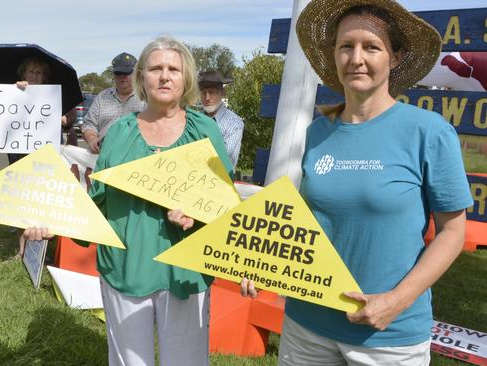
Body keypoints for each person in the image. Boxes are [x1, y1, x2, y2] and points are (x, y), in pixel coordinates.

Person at [240, 1, 473, 364]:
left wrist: (395, 302)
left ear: (395, 57)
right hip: (307, 325)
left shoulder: (428, 132)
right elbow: (308, 218)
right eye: (346, 46)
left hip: (388, 334)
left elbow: (452, 233)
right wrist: (263, 260)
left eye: (372, 47)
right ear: (333, 55)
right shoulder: (318, 133)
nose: (356, 58)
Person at [24, 36, 233, 365]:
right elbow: (97, 204)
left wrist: (199, 217)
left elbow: (228, 207)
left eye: (173, 69)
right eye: (155, 68)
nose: (164, 76)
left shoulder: (206, 131)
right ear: (142, 78)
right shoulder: (120, 132)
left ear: (187, 78)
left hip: (185, 273)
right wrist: (54, 222)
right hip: (125, 268)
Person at [9, 57, 78, 260]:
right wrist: (16, 90)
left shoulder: (55, 94)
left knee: (43, 204)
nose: (35, 76)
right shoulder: (16, 91)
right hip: (21, 155)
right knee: (23, 204)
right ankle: (22, 251)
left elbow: (71, 117)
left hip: (49, 157)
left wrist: (65, 119)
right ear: (23, 74)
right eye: (31, 72)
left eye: (39, 73)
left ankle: (42, 252)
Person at [81, 52, 147, 153]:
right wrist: (91, 139)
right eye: (118, 73)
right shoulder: (102, 97)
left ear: (136, 74)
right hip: (103, 155)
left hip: (136, 156)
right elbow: (89, 124)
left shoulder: (146, 98)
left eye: (126, 73)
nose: (122, 77)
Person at [198, 70, 244, 168]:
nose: (207, 98)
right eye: (203, 93)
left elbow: (222, 154)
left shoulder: (234, 123)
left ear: (222, 93)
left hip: (221, 179)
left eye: (211, 92)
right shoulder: (195, 119)